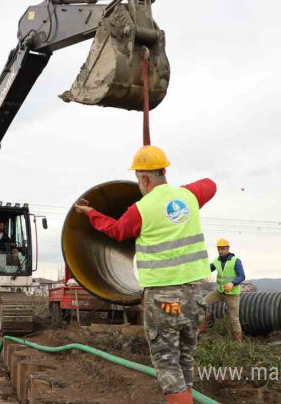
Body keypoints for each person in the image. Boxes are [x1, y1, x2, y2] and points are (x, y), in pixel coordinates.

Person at [73, 145, 216, 404]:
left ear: (144, 178)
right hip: (194, 298)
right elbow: (211, 184)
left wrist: (90, 213)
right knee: (185, 358)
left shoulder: (141, 209)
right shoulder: (189, 196)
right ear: (164, 171)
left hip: (166, 302)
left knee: (167, 361)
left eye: (139, 178)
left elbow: (117, 231)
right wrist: (178, 193)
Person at [198, 238, 246, 341]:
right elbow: (207, 269)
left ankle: (238, 341)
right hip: (219, 292)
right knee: (202, 303)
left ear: (228, 249)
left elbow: (242, 276)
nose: (220, 251)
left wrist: (233, 284)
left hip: (232, 294)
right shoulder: (217, 261)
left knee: (234, 319)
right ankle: (204, 324)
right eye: (219, 249)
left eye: (222, 248)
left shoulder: (235, 261)